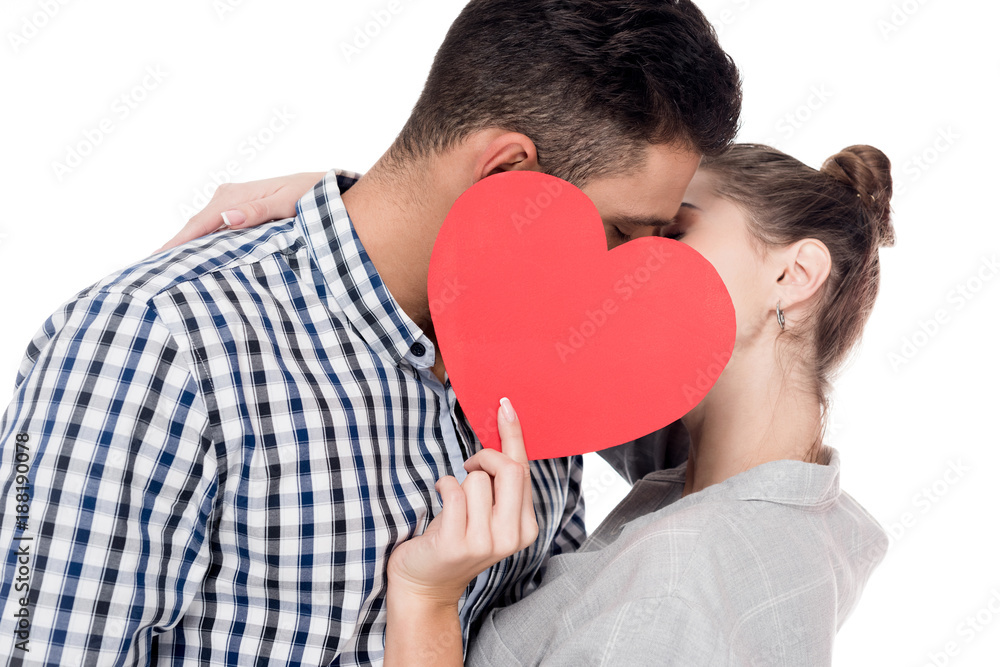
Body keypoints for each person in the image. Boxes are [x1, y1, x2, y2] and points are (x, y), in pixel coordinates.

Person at [0, 1, 740, 664]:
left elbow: (723, 478)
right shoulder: (155, 346)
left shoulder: (549, 372)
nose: (626, 280)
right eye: (620, 231)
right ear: (506, 173)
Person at [198, 143, 894, 663]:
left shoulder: (680, 576)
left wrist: (427, 597)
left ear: (793, 273)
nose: (629, 259)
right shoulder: (798, 506)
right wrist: (363, 211)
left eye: (674, 232)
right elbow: (550, 354)